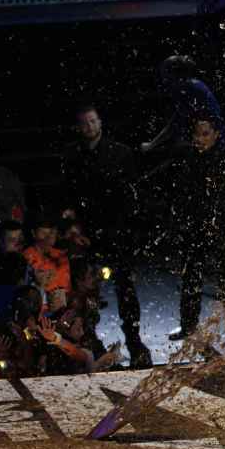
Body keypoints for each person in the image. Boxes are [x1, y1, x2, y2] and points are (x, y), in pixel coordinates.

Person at [62, 103, 152, 368]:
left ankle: (134, 341)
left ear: (100, 122)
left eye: (93, 121)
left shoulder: (120, 153)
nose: (89, 127)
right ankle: (88, 339)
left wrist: (126, 233)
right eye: (84, 123)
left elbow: (130, 197)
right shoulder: (72, 155)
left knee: (126, 290)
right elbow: (68, 194)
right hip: (86, 233)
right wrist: (74, 226)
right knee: (85, 290)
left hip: (117, 233)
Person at [169, 117, 225, 340]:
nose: (200, 139)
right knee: (191, 279)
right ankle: (188, 326)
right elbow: (182, 194)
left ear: (216, 134)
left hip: (221, 227)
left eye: (205, 134)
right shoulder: (188, 158)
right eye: (197, 134)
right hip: (195, 227)